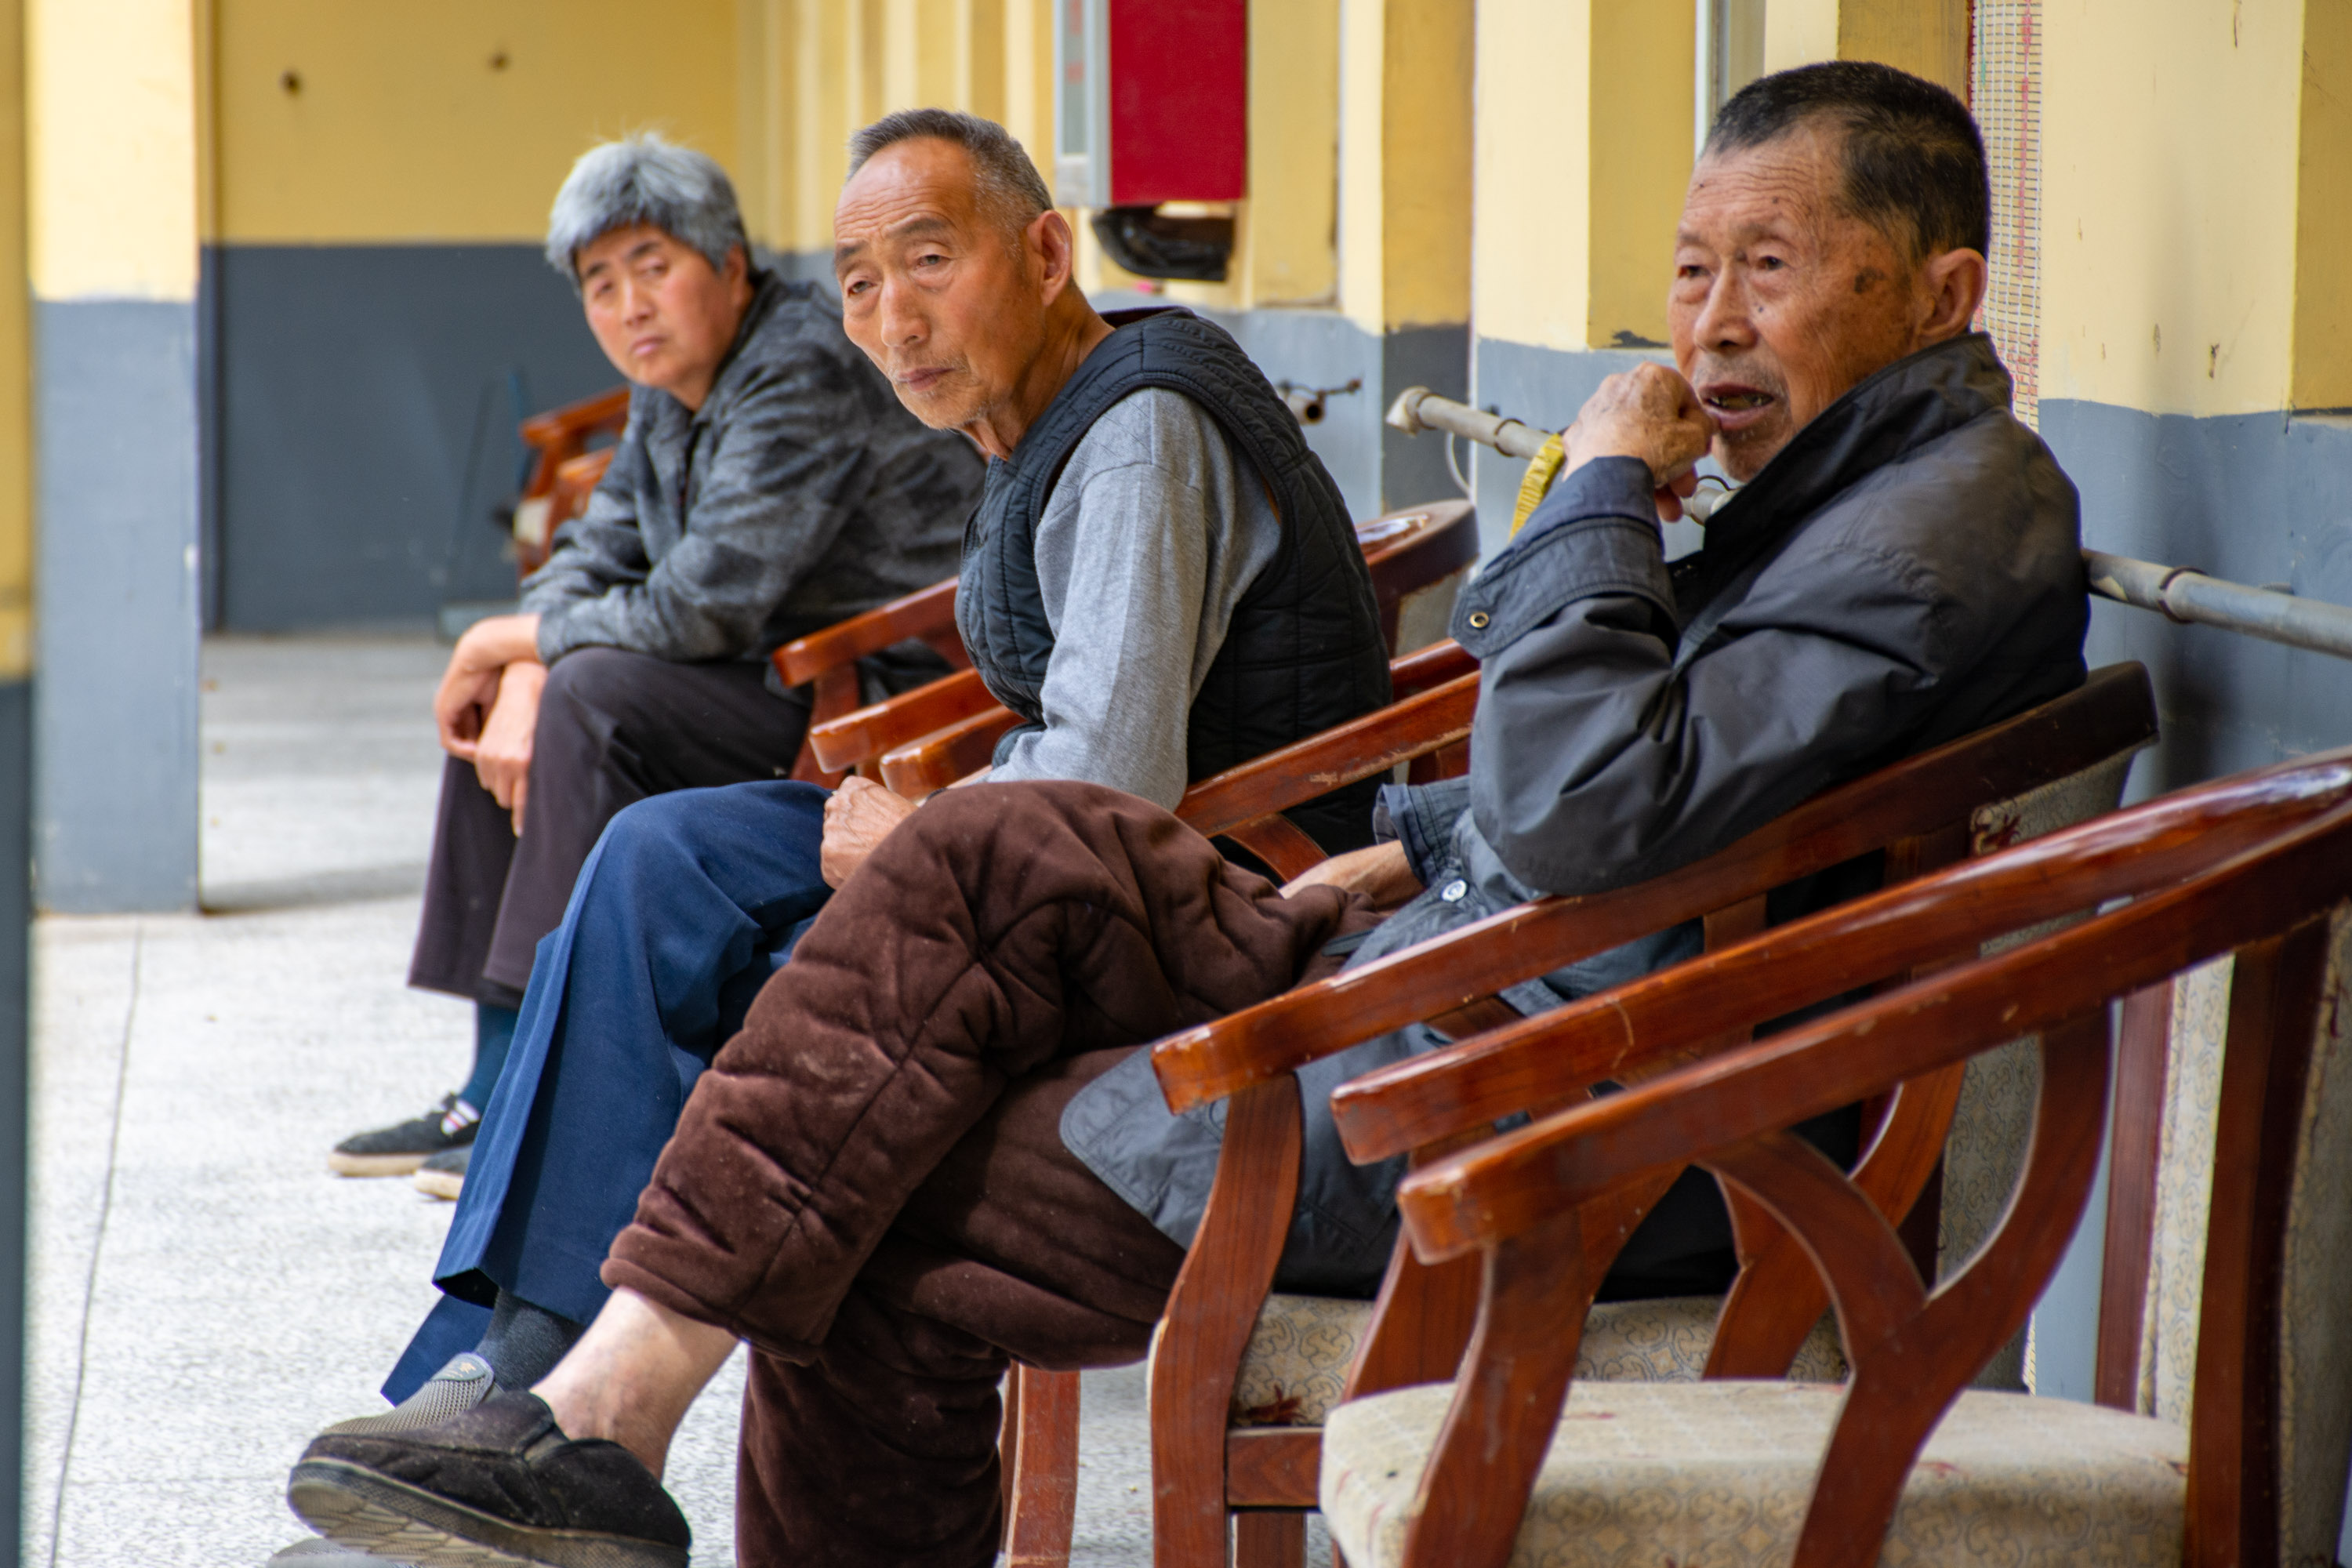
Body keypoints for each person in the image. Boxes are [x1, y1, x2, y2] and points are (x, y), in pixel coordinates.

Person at [287, 64, 2089, 1568]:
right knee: (932, 913)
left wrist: (1604, 486)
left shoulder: (1933, 530)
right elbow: (1621, 784)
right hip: (1458, 980)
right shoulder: (1848, 498)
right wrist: (1423, 830)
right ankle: (591, 1394)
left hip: (1564, 1104)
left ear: (1941, 292)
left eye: (1767, 268)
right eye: (1692, 270)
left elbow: (1600, 794)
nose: (1707, 323)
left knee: (896, 1090)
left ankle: (594, 1396)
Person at [322, 104, 1393, 1445]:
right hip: (1046, 851)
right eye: (864, 282)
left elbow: (1112, 782)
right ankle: (515, 1343)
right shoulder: (1032, 416)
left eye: (930, 262)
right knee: (657, 857)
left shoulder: (1137, 430)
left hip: (1199, 897)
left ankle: (544, 1378)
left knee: (753, 968)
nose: (892, 317)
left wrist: (920, 838)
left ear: (1049, 256)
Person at [328, 134, 985, 1181]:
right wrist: (521, 667)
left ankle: (543, 1097)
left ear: (728, 266)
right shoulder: (671, 383)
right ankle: (491, 1084)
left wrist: (519, 641)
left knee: (587, 696)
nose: (628, 305)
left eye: (654, 266)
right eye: (600, 282)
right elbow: (601, 549)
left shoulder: (800, 362)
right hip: (767, 667)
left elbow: (702, 606)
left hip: (880, 690)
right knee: (528, 693)